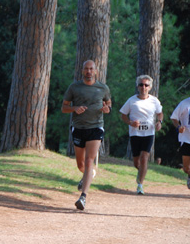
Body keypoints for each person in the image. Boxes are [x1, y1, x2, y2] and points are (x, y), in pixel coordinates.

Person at [61, 60, 112, 210]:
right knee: (81, 164)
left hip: (95, 127)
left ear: (96, 71)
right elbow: (64, 107)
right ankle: (89, 174)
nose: (89, 71)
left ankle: (83, 197)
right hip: (78, 128)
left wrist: (106, 109)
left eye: (91, 69)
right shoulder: (74, 87)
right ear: (82, 71)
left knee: (89, 160)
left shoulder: (103, 88)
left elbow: (108, 104)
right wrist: (74, 108)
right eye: (86, 69)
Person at [119, 75, 163, 195]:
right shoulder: (131, 100)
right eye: (141, 85)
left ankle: (140, 185)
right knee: (136, 163)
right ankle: (142, 173)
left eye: (146, 85)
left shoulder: (154, 100)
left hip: (149, 133)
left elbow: (160, 113)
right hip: (135, 134)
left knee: (144, 158)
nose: (143, 87)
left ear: (150, 87)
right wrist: (130, 122)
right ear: (137, 86)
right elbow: (123, 115)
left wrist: (159, 122)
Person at [170, 95, 190, 189]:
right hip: (187, 139)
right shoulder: (184, 103)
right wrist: (178, 127)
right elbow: (174, 118)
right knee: (186, 168)